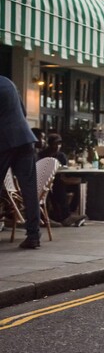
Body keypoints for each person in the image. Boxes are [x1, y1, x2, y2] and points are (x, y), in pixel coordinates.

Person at [0, 75, 42, 249]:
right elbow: (23, 112)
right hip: (24, 139)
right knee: (29, 190)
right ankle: (33, 235)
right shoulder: (8, 82)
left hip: (3, 142)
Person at [38, 134, 86, 227]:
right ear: (50, 144)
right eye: (55, 144)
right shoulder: (42, 155)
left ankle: (70, 212)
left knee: (76, 186)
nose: (57, 146)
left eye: (59, 144)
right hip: (46, 182)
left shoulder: (61, 155)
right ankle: (64, 216)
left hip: (58, 179)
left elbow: (65, 170)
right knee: (58, 186)